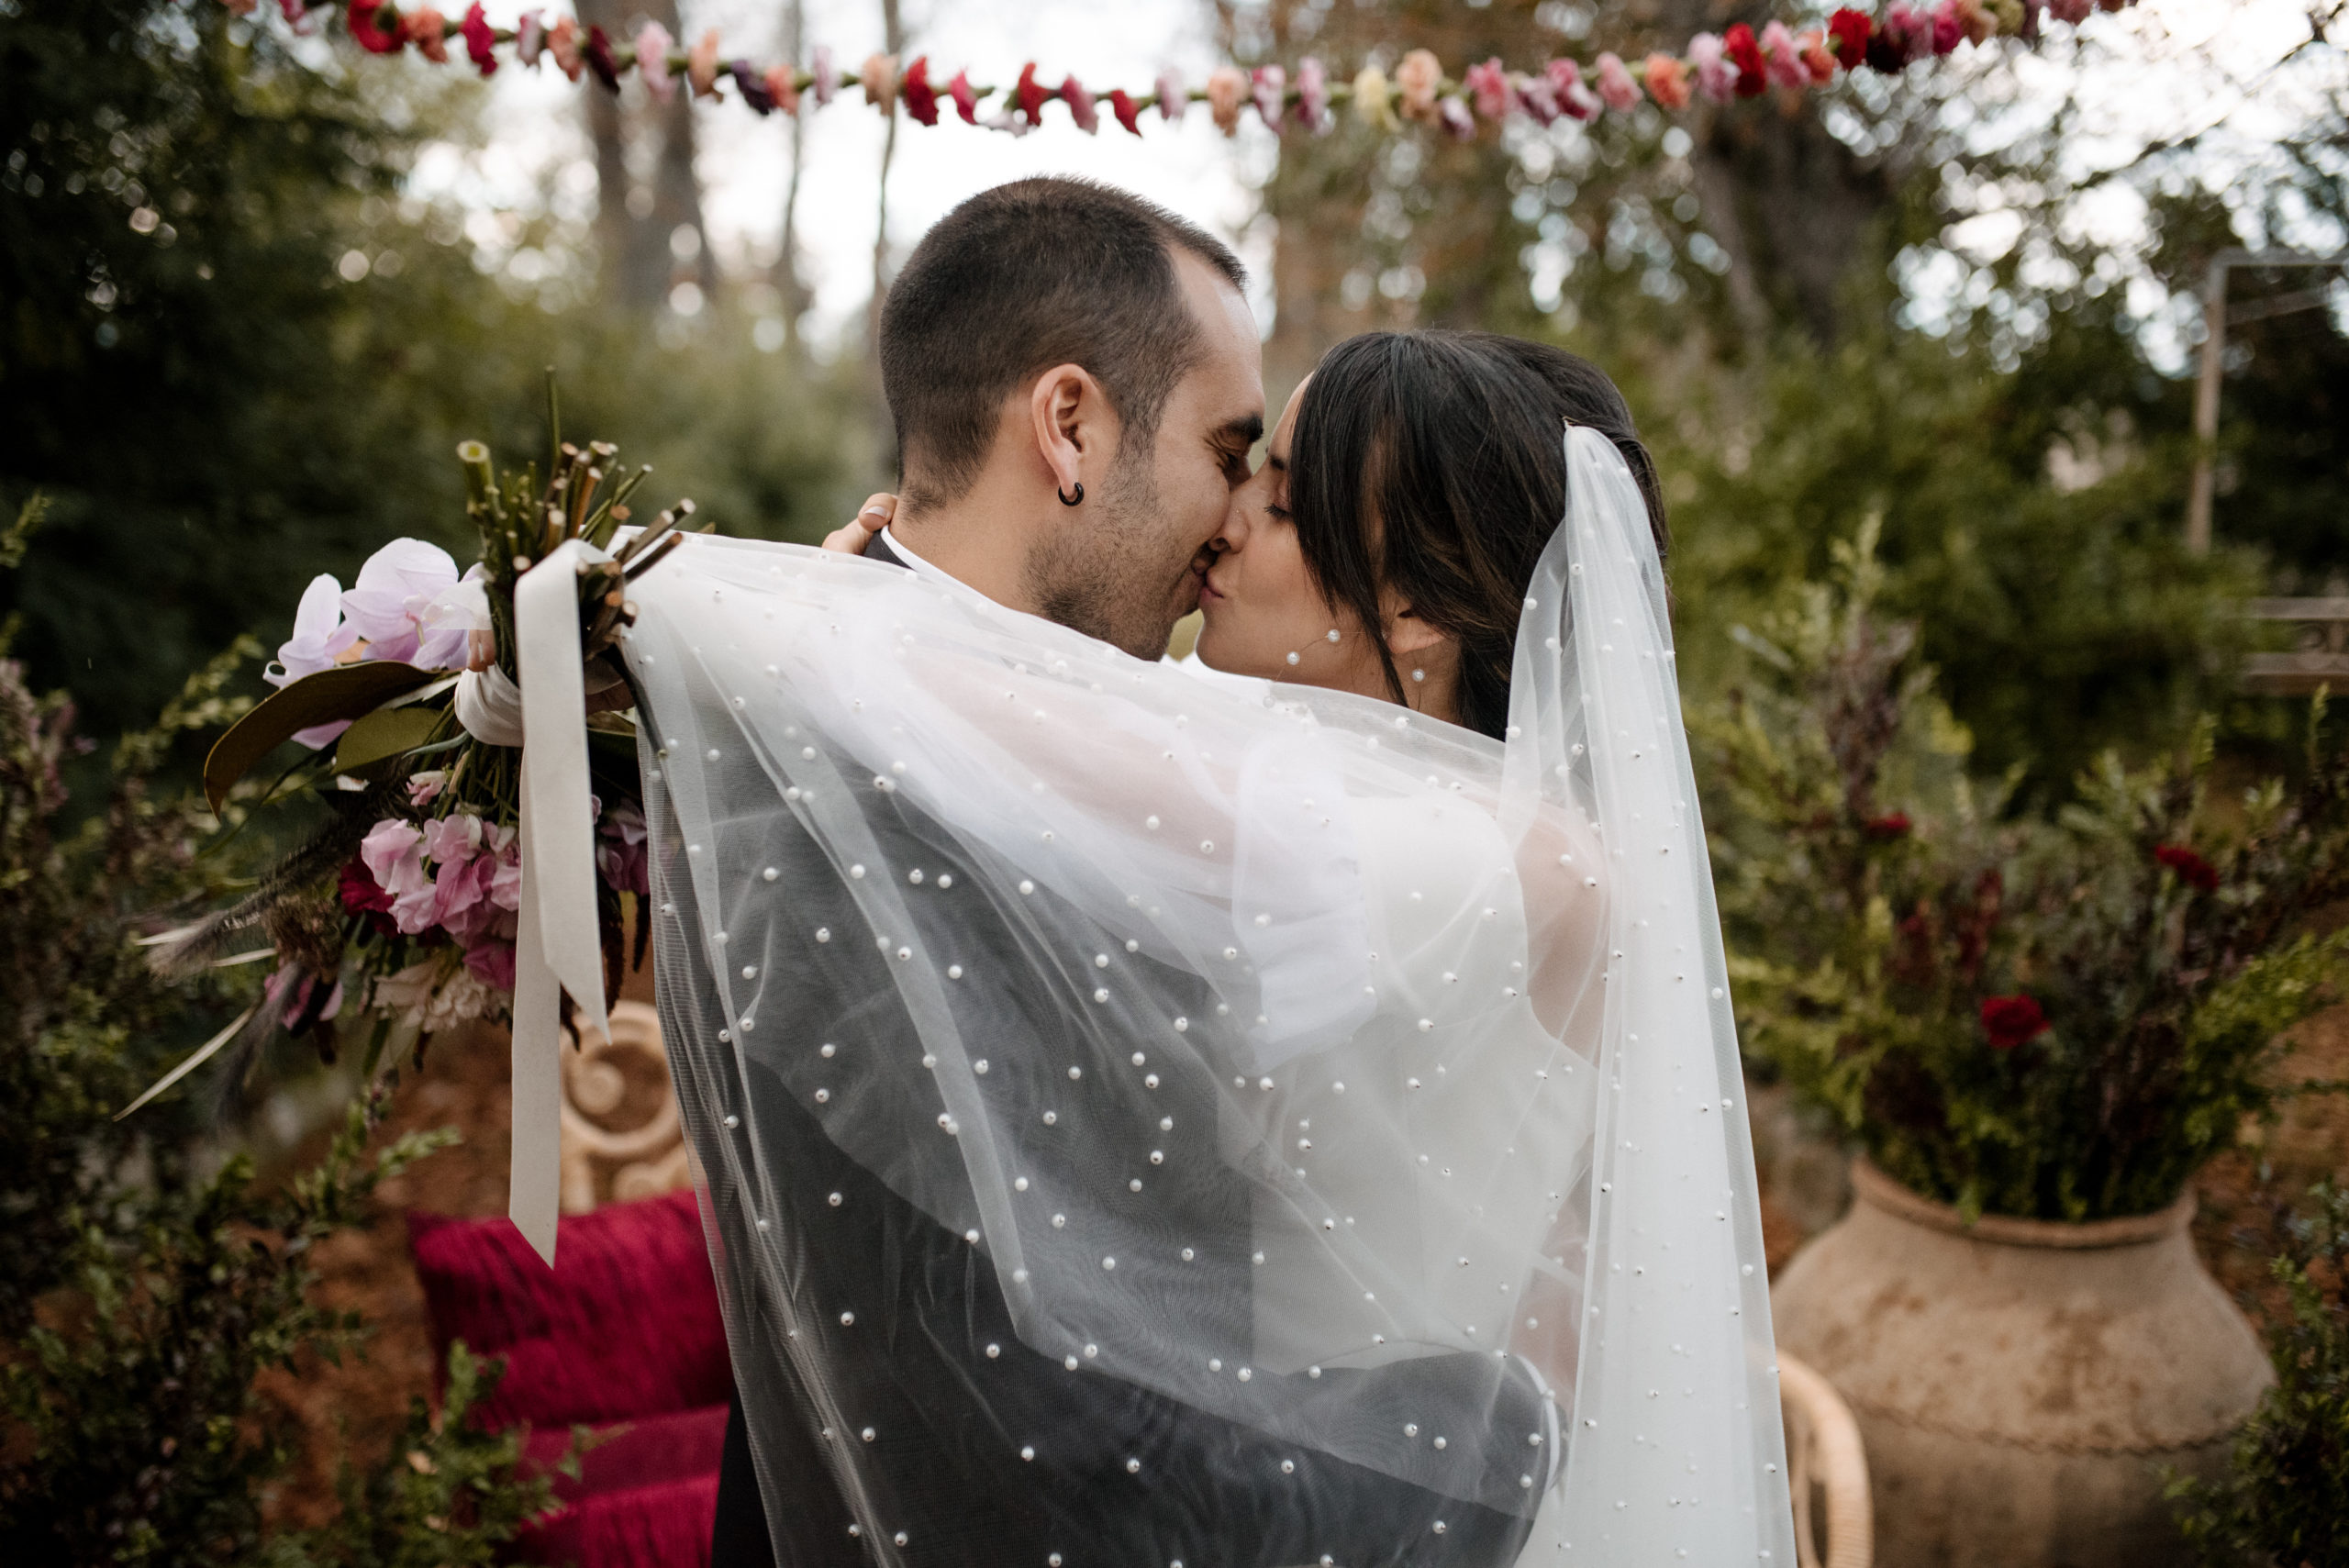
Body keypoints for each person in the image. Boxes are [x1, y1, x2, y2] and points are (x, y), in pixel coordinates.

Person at [627, 178, 1792, 1568]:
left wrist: (721, 600)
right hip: (1253, 1467)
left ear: (1411, 601)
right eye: (1238, 463)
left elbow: (1119, 774)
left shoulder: (1520, 859)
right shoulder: (1251, 742)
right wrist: (883, 599)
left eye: (1284, 499)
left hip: (1364, 1495)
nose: (1232, 522)